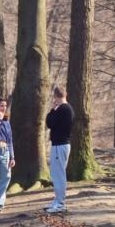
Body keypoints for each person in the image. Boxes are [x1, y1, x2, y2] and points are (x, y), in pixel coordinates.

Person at [44, 86, 74, 214]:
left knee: (58, 176)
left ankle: (60, 203)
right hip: (62, 145)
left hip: (60, 145)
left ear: (56, 96)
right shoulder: (68, 109)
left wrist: (52, 109)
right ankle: (57, 201)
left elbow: (49, 122)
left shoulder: (63, 109)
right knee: (57, 174)